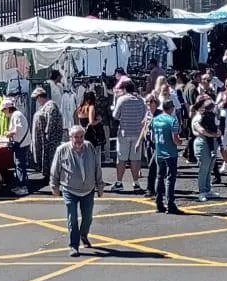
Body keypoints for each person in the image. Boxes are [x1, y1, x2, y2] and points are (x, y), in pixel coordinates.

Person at [50, 125, 104, 257]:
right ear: (70, 137)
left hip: (88, 190)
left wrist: (100, 185)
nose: (79, 140)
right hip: (70, 189)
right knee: (72, 218)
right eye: (76, 137)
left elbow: (97, 166)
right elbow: (55, 169)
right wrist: (54, 186)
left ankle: (84, 234)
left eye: (81, 137)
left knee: (88, 218)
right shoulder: (62, 150)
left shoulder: (90, 147)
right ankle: (74, 246)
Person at [111, 81, 147, 193]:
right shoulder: (141, 100)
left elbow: (115, 116)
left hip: (124, 132)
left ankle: (119, 182)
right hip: (137, 132)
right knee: (135, 159)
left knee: (121, 159)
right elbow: (144, 116)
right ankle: (136, 182)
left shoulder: (122, 100)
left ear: (125, 89)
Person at [148, 100, 184, 214]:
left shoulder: (155, 120)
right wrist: (180, 142)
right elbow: (175, 139)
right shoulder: (173, 120)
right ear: (171, 108)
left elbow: (153, 138)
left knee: (159, 177)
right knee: (170, 178)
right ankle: (170, 204)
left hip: (159, 152)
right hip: (170, 153)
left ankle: (159, 203)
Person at [191, 96, 221, 201]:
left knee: (209, 168)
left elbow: (216, 127)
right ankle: (202, 191)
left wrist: (217, 133)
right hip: (202, 143)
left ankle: (208, 190)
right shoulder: (198, 118)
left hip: (211, 143)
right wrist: (214, 135)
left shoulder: (210, 116)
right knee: (204, 168)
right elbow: (201, 131)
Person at [32, 87, 63, 184]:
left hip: (50, 139)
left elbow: (51, 123)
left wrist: (47, 134)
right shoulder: (46, 106)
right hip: (46, 139)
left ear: (41, 97)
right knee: (47, 158)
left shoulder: (51, 106)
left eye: (37, 98)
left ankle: (53, 177)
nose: (37, 101)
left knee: (52, 158)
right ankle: (48, 175)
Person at [4, 98, 31, 196]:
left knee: (20, 165)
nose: (3, 112)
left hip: (21, 144)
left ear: (8, 109)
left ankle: (23, 187)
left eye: (4, 110)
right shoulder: (17, 114)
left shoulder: (16, 115)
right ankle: (21, 185)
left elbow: (18, 129)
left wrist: (9, 133)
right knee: (19, 165)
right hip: (23, 143)